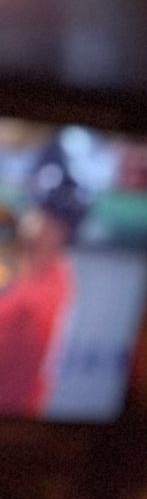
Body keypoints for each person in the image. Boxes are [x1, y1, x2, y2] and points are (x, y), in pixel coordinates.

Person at [0, 155, 83, 417]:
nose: (33, 221)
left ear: (62, 232)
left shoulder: (45, 294)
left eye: (44, 216)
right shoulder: (29, 265)